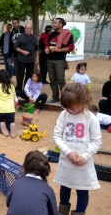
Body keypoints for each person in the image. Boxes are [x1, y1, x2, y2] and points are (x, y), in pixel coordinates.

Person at [53, 83, 102, 215]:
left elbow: (97, 142)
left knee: (82, 191)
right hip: (66, 162)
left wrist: (84, 156)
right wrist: (68, 152)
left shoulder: (91, 119)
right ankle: (62, 211)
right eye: (66, 107)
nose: (69, 111)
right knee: (64, 187)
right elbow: (57, 136)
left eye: (72, 108)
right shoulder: (64, 115)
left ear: (83, 101)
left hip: (83, 164)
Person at [6, 151, 58, 215]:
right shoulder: (48, 189)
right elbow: (54, 212)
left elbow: (8, 203)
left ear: (24, 167)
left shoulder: (16, 184)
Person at [44, 17, 74, 103]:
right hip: (50, 59)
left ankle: (64, 98)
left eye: (55, 23)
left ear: (60, 24)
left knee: (61, 80)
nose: (53, 24)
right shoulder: (51, 34)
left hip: (60, 60)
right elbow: (47, 44)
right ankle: (55, 97)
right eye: (53, 23)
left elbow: (70, 48)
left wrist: (59, 50)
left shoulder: (68, 35)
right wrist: (46, 49)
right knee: (52, 79)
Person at [0, 69, 18, 138]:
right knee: (10, 123)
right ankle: (11, 126)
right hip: (10, 109)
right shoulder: (11, 86)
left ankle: (0, 125)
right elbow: (13, 97)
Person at [13, 22, 39, 91]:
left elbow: (36, 48)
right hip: (21, 59)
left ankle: (26, 90)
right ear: (25, 28)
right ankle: (18, 89)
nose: (27, 30)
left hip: (30, 60)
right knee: (20, 75)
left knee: (29, 76)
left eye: (29, 28)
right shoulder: (21, 36)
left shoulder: (34, 37)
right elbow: (15, 47)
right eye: (26, 28)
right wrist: (23, 52)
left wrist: (37, 57)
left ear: (32, 29)